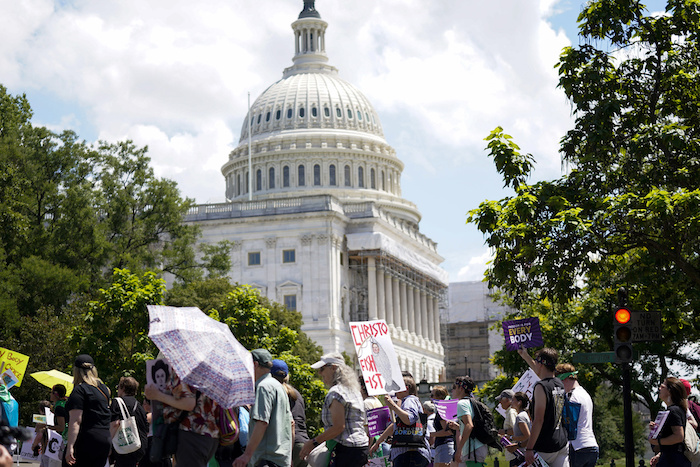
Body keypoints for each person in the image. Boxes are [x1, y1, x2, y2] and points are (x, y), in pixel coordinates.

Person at [301, 353, 369, 466]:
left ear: (333, 367)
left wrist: (313, 442)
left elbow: (338, 427)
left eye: (322, 369)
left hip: (345, 450)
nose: (320, 373)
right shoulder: (355, 391)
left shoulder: (336, 392)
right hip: (360, 448)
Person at [145, 368, 220, 467]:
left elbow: (189, 403)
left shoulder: (183, 370)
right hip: (209, 435)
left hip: (191, 434)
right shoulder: (208, 372)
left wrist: (157, 395)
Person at [233, 349, 292, 467]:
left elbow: (262, 422)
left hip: (266, 458)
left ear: (255, 364)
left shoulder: (263, 387)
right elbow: (291, 423)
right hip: (280, 459)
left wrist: (246, 455)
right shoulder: (278, 386)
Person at [518, 347, 569, 467]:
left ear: (541, 364)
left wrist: (529, 448)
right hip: (561, 443)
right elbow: (542, 373)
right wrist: (525, 356)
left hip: (546, 446)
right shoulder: (559, 383)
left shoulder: (541, 387)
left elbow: (539, 420)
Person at [371, 371, 430, 467]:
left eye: (397, 387)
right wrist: (378, 442)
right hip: (409, 454)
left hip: (409, 454)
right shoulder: (406, 402)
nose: (395, 390)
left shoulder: (409, 400)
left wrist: (392, 405)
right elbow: (395, 426)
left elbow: (409, 419)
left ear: (406, 388)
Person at [64, 354, 111, 467]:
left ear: (76, 371)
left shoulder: (79, 390)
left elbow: (76, 421)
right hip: (104, 438)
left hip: (86, 439)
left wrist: (70, 446)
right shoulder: (104, 389)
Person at [556, 363, 598, 467]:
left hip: (577, 446)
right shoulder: (585, 394)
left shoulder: (572, 397)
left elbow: (569, 424)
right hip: (591, 445)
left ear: (565, 379)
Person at [271, 359, 309, 467]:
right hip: (304, 443)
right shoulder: (295, 393)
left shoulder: (275, 393)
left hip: (290, 445)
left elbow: (290, 424)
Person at [649, 377, 690, 467]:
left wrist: (658, 441)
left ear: (670, 391)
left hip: (672, 461)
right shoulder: (676, 409)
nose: (659, 388)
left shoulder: (674, 410)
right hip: (672, 459)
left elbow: (679, 437)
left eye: (662, 387)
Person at [110, 376, 148, 467]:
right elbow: (145, 426)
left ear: (123, 388)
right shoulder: (138, 405)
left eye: (118, 387)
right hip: (138, 446)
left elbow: (115, 424)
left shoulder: (117, 402)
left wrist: (108, 444)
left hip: (123, 446)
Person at [451, 375, 487, 466]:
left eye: (454, 388)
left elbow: (469, 425)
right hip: (478, 448)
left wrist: (459, 449)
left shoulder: (462, 403)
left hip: (472, 450)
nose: (452, 391)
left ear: (461, 388)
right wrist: (459, 427)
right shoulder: (472, 402)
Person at [429, 385, 455, 467]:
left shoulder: (441, 410)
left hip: (444, 446)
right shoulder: (445, 409)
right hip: (444, 445)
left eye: (432, 395)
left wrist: (431, 434)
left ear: (439, 397)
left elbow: (447, 431)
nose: (430, 397)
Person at [504, 392, 531, 467]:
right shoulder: (524, 414)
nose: (511, 402)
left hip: (521, 455)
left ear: (519, 402)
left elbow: (527, 436)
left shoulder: (520, 417)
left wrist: (511, 438)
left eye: (513, 400)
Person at [497, 389, 517, 466]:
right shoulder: (510, 412)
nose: (500, 403)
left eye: (501, 400)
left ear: (507, 400)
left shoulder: (511, 412)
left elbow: (517, 430)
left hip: (514, 453)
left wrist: (504, 432)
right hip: (513, 452)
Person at [423, 400, 436, 466]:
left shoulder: (429, 422)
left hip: (433, 454)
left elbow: (432, 438)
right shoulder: (437, 418)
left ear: (425, 410)